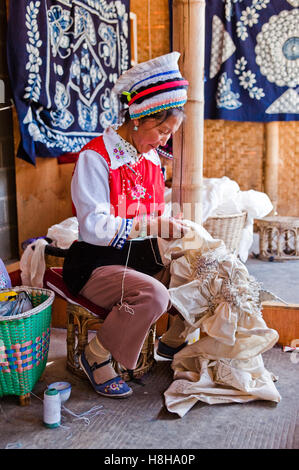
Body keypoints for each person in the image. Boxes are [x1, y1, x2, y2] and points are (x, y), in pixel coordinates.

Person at [63, 52, 190, 398]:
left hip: (138, 261)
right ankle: (96, 356)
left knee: (200, 271)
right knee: (154, 294)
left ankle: (169, 344)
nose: (165, 141)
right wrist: (151, 224)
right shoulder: (95, 158)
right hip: (96, 265)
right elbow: (94, 228)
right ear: (139, 118)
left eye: (170, 134)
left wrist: (168, 225)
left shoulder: (150, 160)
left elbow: (152, 219)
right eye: (162, 130)